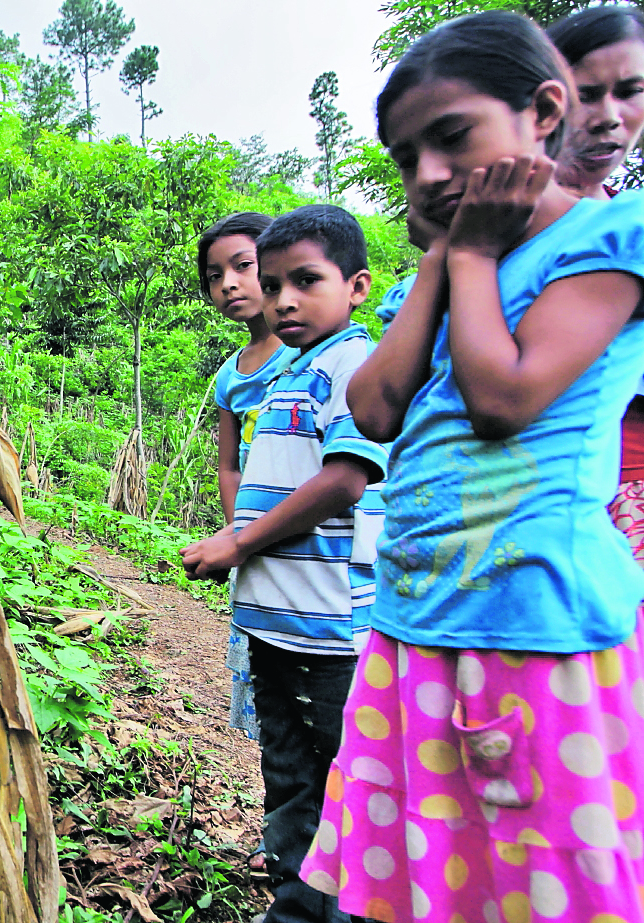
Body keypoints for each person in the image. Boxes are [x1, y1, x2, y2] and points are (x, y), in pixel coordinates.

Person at [301, 11, 644, 923]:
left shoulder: (610, 237)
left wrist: (478, 254)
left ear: (543, 112)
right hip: (415, 617)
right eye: (406, 158)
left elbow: (502, 398)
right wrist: (446, 255)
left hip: (527, 623)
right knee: (433, 882)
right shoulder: (456, 264)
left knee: (542, 888)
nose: (428, 174)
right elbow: (375, 407)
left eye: (451, 137)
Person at [182, 204, 387, 923]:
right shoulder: (285, 375)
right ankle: (295, 910)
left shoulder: (355, 367)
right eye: (273, 286)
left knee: (343, 784)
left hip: (329, 633)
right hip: (274, 625)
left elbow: (344, 480)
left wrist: (238, 544)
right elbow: (247, 474)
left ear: (356, 286)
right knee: (291, 778)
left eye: (305, 281)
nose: (283, 300)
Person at [549, 5, 644, 564]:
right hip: (557, 497)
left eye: (631, 91)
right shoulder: (499, 225)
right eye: (587, 95)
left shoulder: (630, 223)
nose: (610, 117)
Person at [197, 210, 290, 749]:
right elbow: (229, 466)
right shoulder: (231, 374)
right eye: (215, 276)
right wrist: (239, 533)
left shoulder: (309, 353)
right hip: (254, 539)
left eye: (243, 266)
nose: (229, 284)